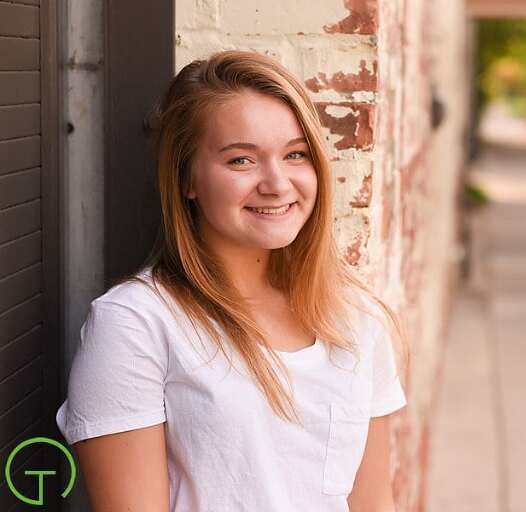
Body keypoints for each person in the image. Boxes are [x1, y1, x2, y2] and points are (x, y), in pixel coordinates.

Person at [55, 49, 409, 512]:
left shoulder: (356, 319)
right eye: (241, 161)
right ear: (188, 178)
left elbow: (372, 504)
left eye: (296, 154)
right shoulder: (136, 326)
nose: (277, 183)